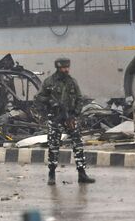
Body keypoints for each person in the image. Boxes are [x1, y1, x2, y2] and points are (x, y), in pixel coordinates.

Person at [35, 57, 95, 185]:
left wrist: (75, 114)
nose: (66, 70)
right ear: (58, 68)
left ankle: (82, 173)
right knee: (53, 146)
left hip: (70, 118)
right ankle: (51, 174)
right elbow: (39, 97)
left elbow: (79, 99)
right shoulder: (49, 82)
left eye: (67, 67)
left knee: (78, 145)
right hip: (55, 118)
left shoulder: (72, 82)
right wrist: (50, 103)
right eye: (63, 67)